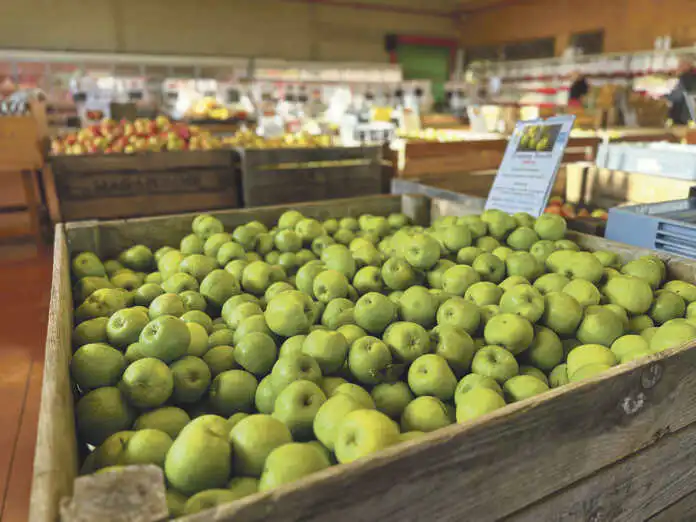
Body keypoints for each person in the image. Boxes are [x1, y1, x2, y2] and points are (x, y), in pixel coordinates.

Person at [666, 58, 696, 124]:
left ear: (688, 65)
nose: (678, 67)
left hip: (683, 117)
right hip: (690, 116)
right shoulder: (692, 76)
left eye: (680, 65)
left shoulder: (685, 77)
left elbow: (676, 96)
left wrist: (663, 96)